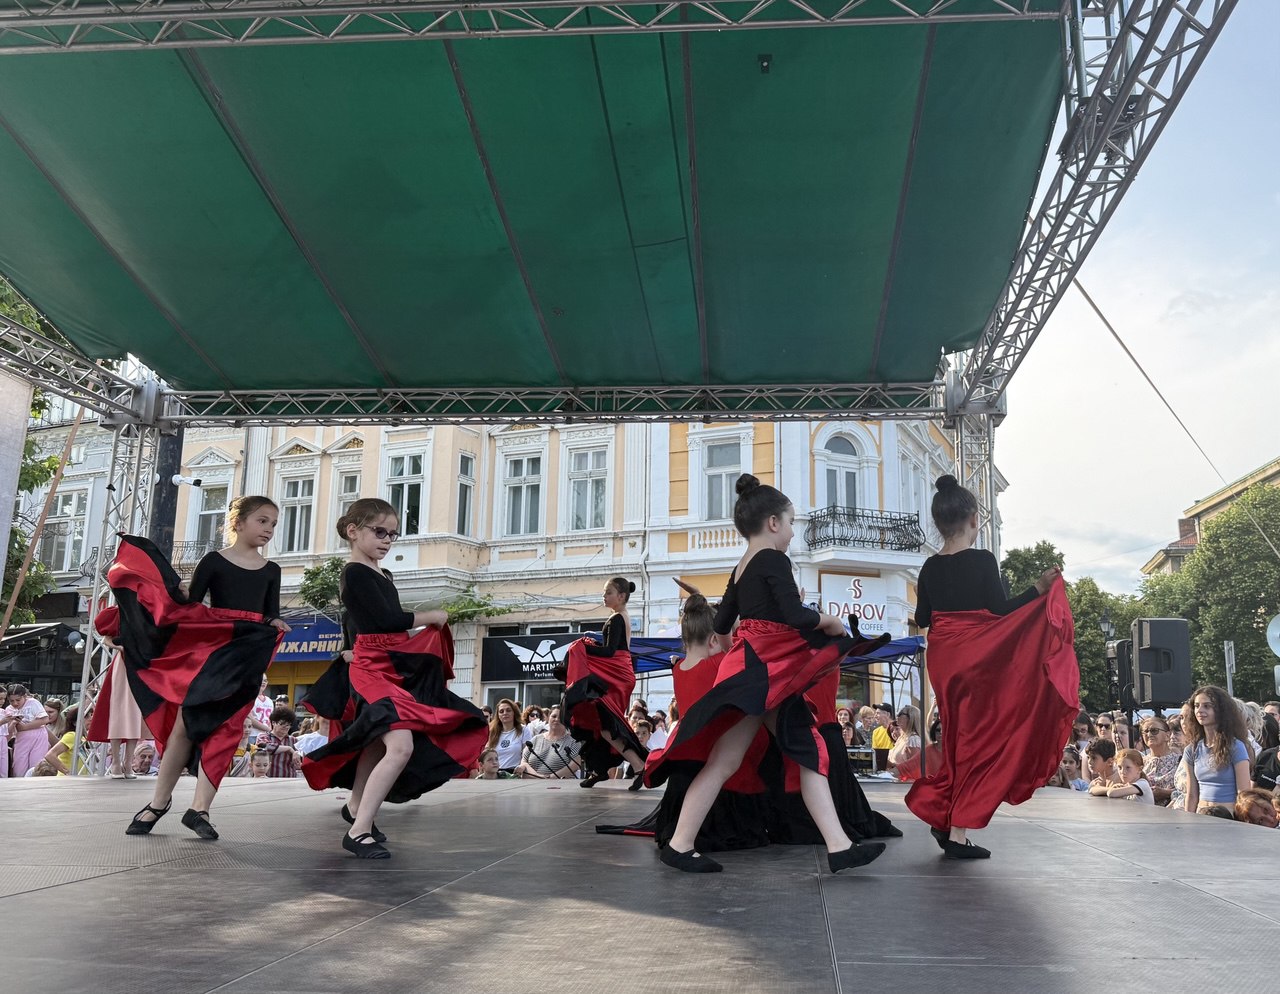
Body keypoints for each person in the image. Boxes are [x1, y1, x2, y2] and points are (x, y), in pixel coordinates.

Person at [649, 474, 886, 874]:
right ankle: (839, 846)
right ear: (773, 523)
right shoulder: (774, 559)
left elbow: (721, 625)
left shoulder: (740, 567)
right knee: (806, 750)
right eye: (791, 522)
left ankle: (680, 844)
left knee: (729, 760)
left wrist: (741, 650)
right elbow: (794, 615)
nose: (792, 532)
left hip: (753, 673)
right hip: (767, 674)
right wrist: (830, 622)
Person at [300, 498, 487, 859]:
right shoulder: (354, 573)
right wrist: (430, 616)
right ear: (353, 532)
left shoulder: (381, 574)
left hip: (389, 663)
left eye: (393, 534)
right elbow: (385, 620)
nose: (387, 540)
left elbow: (368, 621)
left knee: (377, 742)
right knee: (400, 746)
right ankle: (358, 830)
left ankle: (357, 809)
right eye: (380, 532)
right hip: (372, 669)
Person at [904, 475, 1074, 860]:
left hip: (944, 660)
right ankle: (957, 832)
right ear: (974, 520)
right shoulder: (982, 560)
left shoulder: (929, 567)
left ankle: (946, 814)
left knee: (957, 736)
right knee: (978, 740)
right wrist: (1038, 590)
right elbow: (1000, 610)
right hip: (976, 657)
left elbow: (923, 617)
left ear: (938, 523)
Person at [106, 498, 288, 842]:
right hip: (213, 650)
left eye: (274, 524)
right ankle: (159, 802)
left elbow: (270, 613)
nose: (269, 529)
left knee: (228, 729)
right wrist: (169, 595)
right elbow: (188, 607)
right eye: (262, 521)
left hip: (249, 654)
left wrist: (274, 622)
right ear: (238, 523)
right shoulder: (214, 561)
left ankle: (200, 809)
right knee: (184, 726)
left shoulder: (272, 570)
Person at [562, 577, 649, 790]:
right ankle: (599, 769)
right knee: (600, 725)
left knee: (606, 725)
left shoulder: (617, 618)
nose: (604, 596)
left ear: (621, 596)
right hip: (618, 675)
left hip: (616, 676)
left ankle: (639, 766)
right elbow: (613, 649)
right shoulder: (620, 616)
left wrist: (582, 647)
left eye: (608, 592)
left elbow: (610, 651)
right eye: (604, 592)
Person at [1184, 684, 1251, 816]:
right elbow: (1191, 794)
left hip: (1228, 816)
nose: (1200, 710)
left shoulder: (1236, 746)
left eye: (1207, 706)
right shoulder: (1191, 749)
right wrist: (1188, 821)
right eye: (1196, 706)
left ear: (1221, 710)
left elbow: (1243, 794)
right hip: (1201, 814)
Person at [513, 707, 583, 779]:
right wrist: (540, 777)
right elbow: (524, 762)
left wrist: (550, 778)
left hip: (560, 785)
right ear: (548, 718)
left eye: (561, 717)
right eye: (554, 716)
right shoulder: (535, 739)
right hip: (531, 784)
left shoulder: (573, 742)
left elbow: (575, 765)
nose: (556, 719)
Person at [5, 684, 52, 778]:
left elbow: (45, 719)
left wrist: (25, 727)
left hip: (38, 734)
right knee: (19, 765)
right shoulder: (9, 709)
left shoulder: (33, 703)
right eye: (11, 701)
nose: (15, 703)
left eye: (18, 700)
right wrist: (13, 723)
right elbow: (9, 730)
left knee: (36, 763)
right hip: (21, 737)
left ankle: (35, 784)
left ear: (25, 696)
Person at [485, 699, 533, 775]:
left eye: (508, 710)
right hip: (494, 774)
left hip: (515, 774)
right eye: (501, 711)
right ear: (498, 715)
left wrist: (522, 767)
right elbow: (486, 754)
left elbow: (527, 755)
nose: (505, 713)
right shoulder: (492, 732)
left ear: (514, 712)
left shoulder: (524, 730)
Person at [1140, 715, 1179, 805]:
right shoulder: (1140, 762)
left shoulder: (1180, 761)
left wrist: (1166, 793)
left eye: (1154, 731)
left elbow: (1188, 791)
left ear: (1167, 735)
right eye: (1145, 731)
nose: (1149, 734)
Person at [255, 706, 301, 778]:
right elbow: (265, 747)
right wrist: (289, 749)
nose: (286, 727)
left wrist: (298, 764)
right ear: (273, 722)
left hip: (289, 779)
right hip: (269, 779)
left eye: (289, 724)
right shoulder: (264, 736)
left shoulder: (294, 740)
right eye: (282, 723)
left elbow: (299, 762)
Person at [888, 705, 922, 781]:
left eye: (900, 713)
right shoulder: (902, 738)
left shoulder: (913, 739)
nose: (897, 715)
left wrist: (891, 765)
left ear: (910, 718)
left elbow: (915, 767)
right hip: (896, 781)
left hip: (906, 783)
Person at [870, 703, 894, 771]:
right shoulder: (876, 732)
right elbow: (875, 753)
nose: (875, 716)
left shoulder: (897, 730)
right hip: (881, 768)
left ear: (888, 714)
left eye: (878, 713)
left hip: (895, 766)